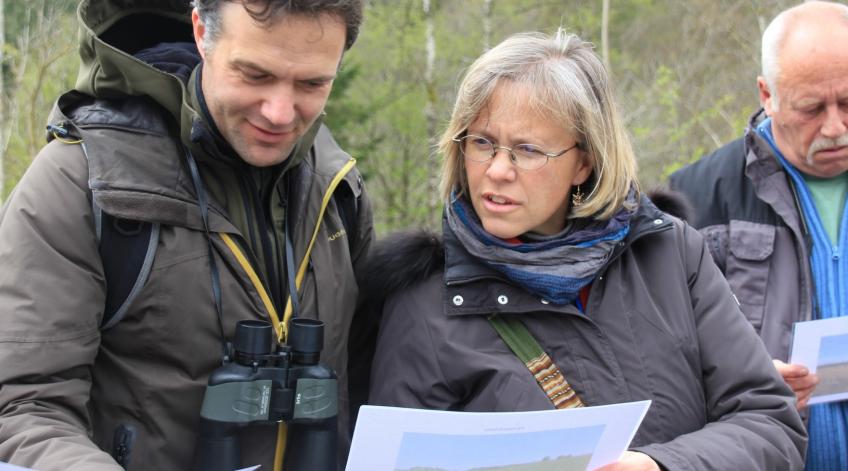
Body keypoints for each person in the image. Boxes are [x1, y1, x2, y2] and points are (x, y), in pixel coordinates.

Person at [360, 29, 806, 470]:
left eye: (527, 150)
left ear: (585, 161)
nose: (496, 170)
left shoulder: (670, 254)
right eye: (481, 142)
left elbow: (770, 422)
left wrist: (660, 466)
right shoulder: (424, 302)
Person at [0, 0, 373, 470]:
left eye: (312, 84)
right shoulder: (82, 180)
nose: (280, 113)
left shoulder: (338, 188)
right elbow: (22, 408)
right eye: (254, 75)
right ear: (202, 31)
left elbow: (371, 385)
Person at [669, 2, 848, 468]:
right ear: (767, 94)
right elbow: (656, 358)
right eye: (812, 108)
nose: (834, 127)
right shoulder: (694, 199)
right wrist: (738, 381)